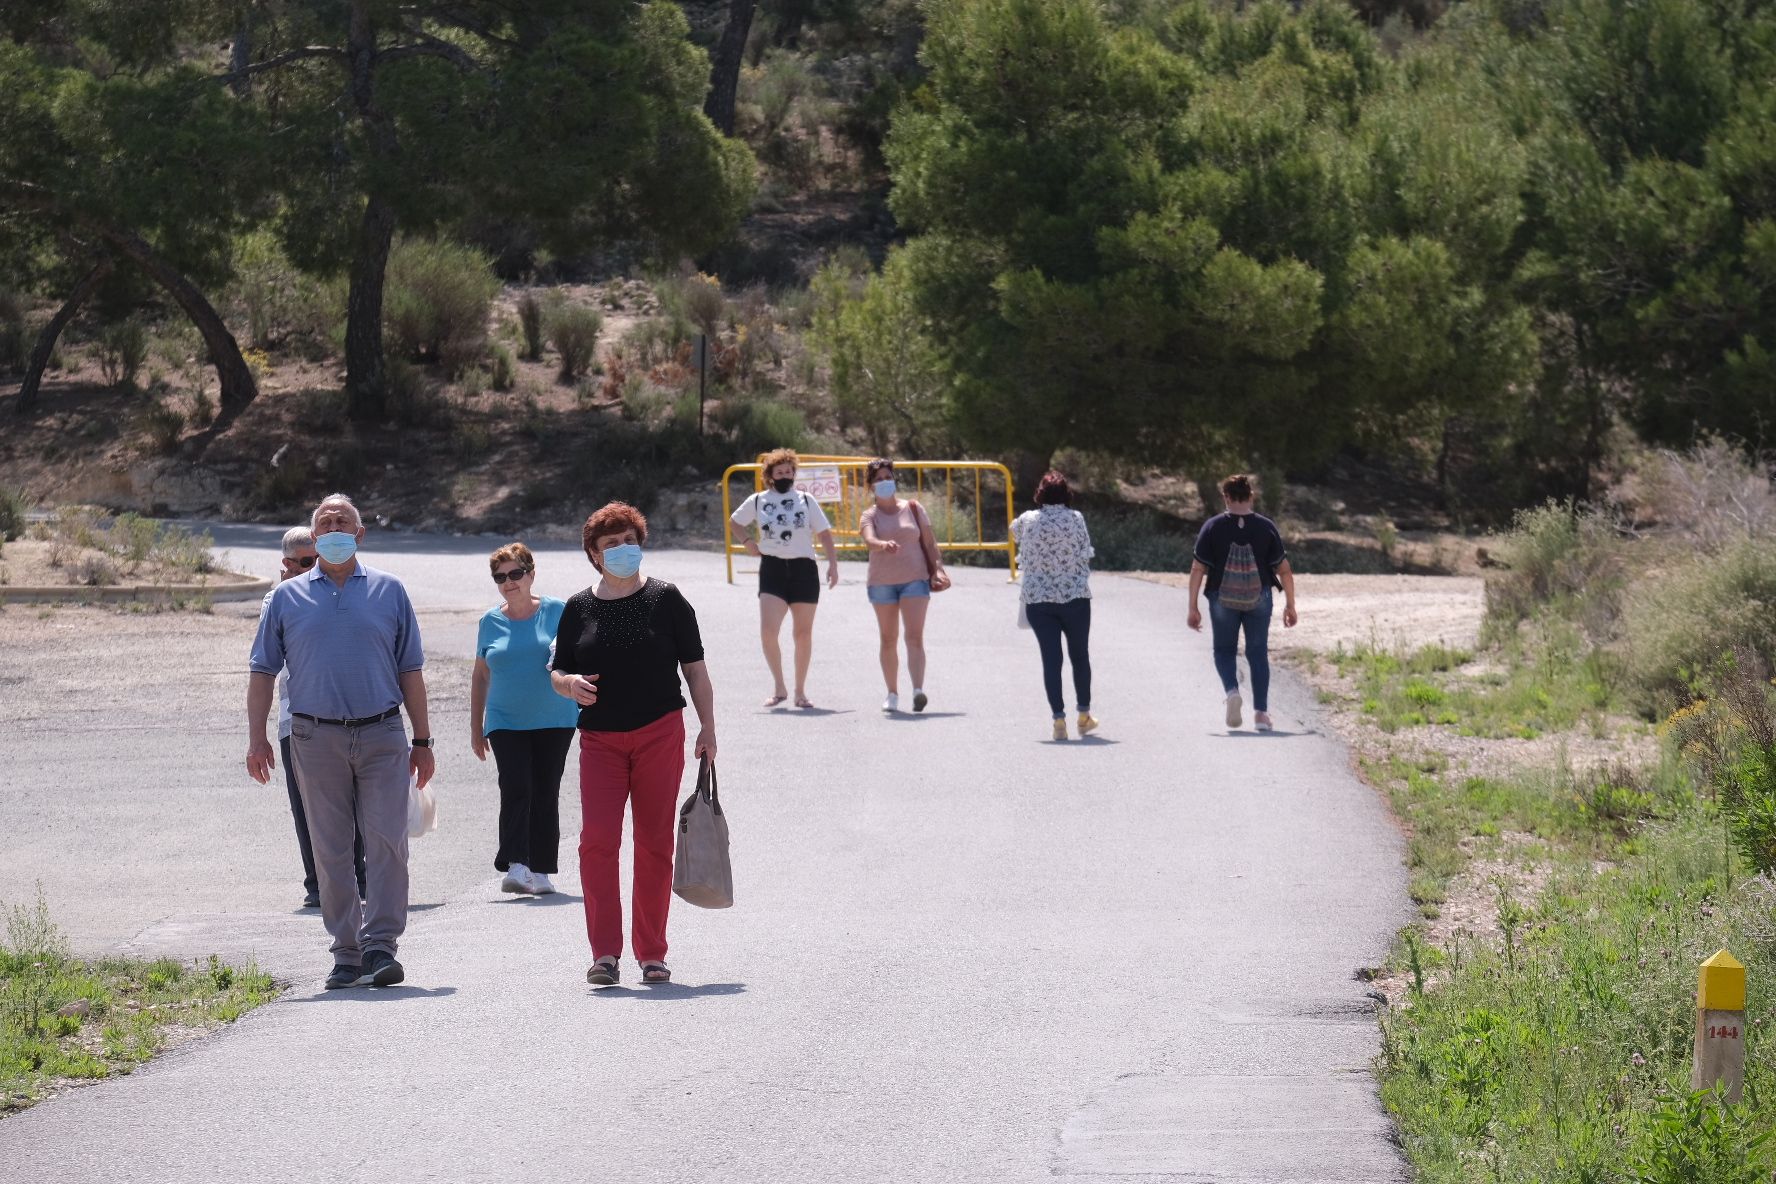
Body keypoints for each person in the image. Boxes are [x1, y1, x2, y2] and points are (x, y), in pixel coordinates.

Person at [246, 493, 434, 990]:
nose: (333, 527)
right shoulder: (286, 598)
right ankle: (346, 951)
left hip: (382, 733)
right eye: (324, 522)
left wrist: (424, 739)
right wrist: (257, 738)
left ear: (359, 534)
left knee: (387, 843)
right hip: (314, 736)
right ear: (312, 535)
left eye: (342, 521)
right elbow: (262, 671)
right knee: (331, 850)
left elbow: (410, 669)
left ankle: (381, 946)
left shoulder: (391, 591)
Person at [550, 502, 716, 986]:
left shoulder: (668, 599)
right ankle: (604, 953)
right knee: (597, 842)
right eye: (611, 545)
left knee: (654, 843)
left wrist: (709, 728)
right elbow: (558, 669)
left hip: (660, 733)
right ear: (594, 555)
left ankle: (652, 953)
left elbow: (696, 671)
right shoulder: (578, 607)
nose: (623, 550)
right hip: (599, 739)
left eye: (629, 540)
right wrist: (567, 684)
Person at [263, 525, 366, 910]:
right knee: (309, 807)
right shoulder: (278, 600)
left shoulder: (345, 589)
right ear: (286, 565)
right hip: (300, 720)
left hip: (356, 717)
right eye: (307, 561)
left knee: (358, 804)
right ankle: (317, 882)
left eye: (318, 557)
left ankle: (358, 878)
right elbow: (268, 666)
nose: (316, 566)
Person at [470, 542, 579, 896]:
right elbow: (481, 675)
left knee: (545, 789)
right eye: (500, 577)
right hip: (504, 719)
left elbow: (575, 657)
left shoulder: (558, 611)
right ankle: (517, 865)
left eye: (516, 573)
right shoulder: (490, 620)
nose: (508, 581)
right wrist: (476, 726)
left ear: (531, 574)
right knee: (516, 785)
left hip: (555, 716)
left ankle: (542, 869)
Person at [729, 448, 840, 709]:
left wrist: (833, 564)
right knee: (769, 631)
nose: (785, 476)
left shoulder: (805, 499)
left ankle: (800, 691)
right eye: (779, 472)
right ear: (770, 475)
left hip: (804, 570)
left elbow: (823, 534)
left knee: (802, 633)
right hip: (773, 570)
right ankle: (779, 686)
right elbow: (735, 522)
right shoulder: (758, 500)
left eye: (789, 471)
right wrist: (747, 542)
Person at [1186, 474, 1298, 732]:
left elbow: (1197, 568)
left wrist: (1192, 606)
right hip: (1259, 597)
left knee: (1224, 651)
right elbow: (1284, 570)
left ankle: (1232, 690)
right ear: (1251, 496)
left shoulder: (1212, 527)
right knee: (1257, 653)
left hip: (1222, 597)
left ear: (1225, 497)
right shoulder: (1266, 526)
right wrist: (1290, 604)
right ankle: (1261, 714)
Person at [1011, 472, 1099, 741]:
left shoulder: (1027, 520)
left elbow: (1013, 532)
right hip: (1074, 597)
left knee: (1052, 660)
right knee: (1079, 656)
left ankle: (1058, 720)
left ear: (1040, 494)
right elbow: (1087, 550)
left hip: (1039, 600)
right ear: (1066, 495)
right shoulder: (1076, 519)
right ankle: (1083, 715)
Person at [860, 457, 950, 714]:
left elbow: (930, 542)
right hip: (882, 583)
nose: (885, 482)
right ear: (871, 486)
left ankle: (918, 690)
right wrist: (882, 545)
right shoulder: (869, 515)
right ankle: (891, 692)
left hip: (915, 579)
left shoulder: (913, 508)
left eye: (889, 477)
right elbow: (869, 539)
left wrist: (939, 569)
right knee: (888, 638)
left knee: (914, 636)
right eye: (879, 479)